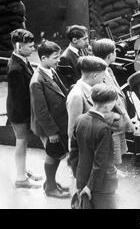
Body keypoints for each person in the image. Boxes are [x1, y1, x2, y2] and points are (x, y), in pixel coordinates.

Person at [68, 83, 120, 209]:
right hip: (101, 185)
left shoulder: (80, 119)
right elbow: (100, 162)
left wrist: (78, 177)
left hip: (82, 177)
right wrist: (90, 186)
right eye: (114, 102)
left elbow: (74, 152)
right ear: (108, 106)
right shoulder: (104, 129)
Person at [30, 40, 70, 198]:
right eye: (55, 57)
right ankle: (50, 188)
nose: (59, 60)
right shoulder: (36, 82)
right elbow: (41, 111)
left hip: (58, 122)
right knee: (53, 155)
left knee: (57, 154)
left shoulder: (51, 71)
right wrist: (51, 133)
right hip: (49, 127)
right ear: (43, 58)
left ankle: (51, 182)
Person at [6, 29, 42, 189]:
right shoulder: (16, 69)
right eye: (30, 47)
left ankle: (23, 170)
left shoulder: (21, 59)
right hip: (19, 113)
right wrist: (28, 118)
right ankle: (20, 178)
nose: (33, 49)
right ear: (18, 46)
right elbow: (19, 99)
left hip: (20, 110)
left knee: (23, 142)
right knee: (21, 142)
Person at [91, 39, 135, 168]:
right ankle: (111, 174)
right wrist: (126, 118)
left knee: (118, 149)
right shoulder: (100, 75)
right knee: (112, 151)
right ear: (110, 55)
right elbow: (110, 99)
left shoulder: (108, 70)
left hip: (117, 120)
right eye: (115, 52)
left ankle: (114, 170)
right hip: (111, 120)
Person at [66, 56, 125, 146]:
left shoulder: (94, 89)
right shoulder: (76, 96)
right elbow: (73, 132)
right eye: (103, 75)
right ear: (95, 76)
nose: (104, 78)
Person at [57, 25, 90, 89]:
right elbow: (66, 84)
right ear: (74, 40)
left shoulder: (83, 50)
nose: (87, 41)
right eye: (85, 39)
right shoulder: (65, 58)